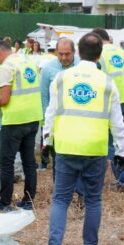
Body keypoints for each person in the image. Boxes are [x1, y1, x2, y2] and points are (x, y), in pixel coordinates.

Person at [40, 32, 124, 245]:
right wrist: (120, 150)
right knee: (93, 200)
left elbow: (51, 111)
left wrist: (46, 140)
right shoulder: (107, 82)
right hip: (95, 149)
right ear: (100, 54)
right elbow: (117, 121)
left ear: (78, 52)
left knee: (60, 200)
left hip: (66, 147)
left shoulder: (61, 78)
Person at [0, 40, 41, 213]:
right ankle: (28, 200)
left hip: (14, 120)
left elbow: (4, 99)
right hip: (33, 117)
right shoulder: (28, 62)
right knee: (29, 161)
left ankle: (4, 203)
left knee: (6, 162)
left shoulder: (6, 67)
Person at [93, 28, 124, 190]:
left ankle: (123, 180)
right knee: (120, 139)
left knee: (112, 142)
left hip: (113, 102)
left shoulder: (99, 55)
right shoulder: (123, 52)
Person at [40, 37, 77, 170]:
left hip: (77, 120)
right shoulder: (48, 69)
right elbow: (44, 96)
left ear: (74, 52)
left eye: (67, 54)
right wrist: (46, 120)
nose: (63, 57)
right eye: (60, 54)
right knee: (59, 159)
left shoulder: (81, 65)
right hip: (58, 121)